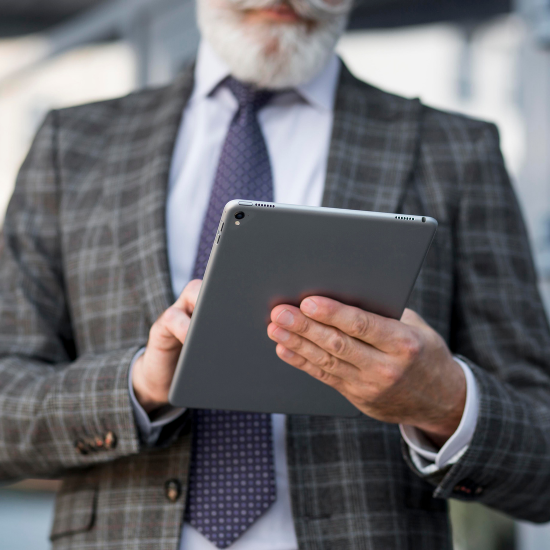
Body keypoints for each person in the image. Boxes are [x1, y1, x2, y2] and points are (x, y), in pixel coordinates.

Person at [0, 0, 549, 547]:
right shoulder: (70, 145)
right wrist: (138, 386)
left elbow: (542, 467)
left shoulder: (455, 150)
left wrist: (446, 401)